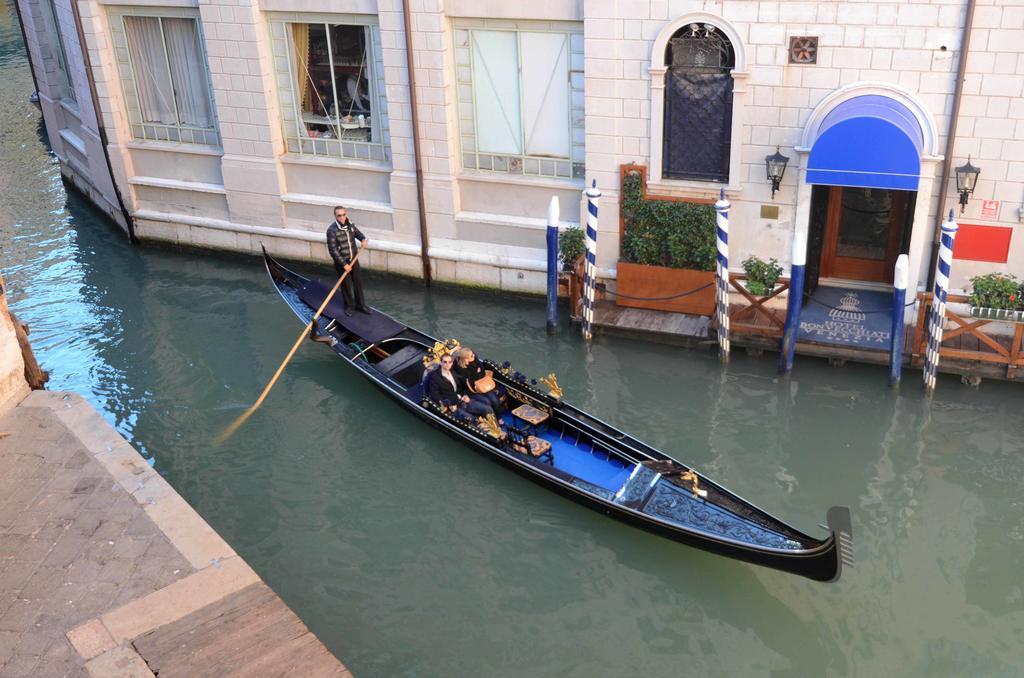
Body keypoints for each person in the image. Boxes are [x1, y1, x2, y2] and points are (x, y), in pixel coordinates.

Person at [326, 205, 370, 316]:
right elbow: (333, 250)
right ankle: (349, 306)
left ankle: (361, 305)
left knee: (358, 283)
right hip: (342, 262)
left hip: (353, 259)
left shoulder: (350, 225)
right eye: (339, 215)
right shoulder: (331, 230)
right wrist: (344, 264)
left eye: (343, 215)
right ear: (335, 216)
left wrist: (363, 239)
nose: (342, 217)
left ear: (346, 214)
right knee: (346, 285)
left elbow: (358, 234)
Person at [427, 353, 493, 421]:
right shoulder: (435, 377)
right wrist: (448, 404)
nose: (447, 364)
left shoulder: (452, 372)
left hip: (463, 401)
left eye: (450, 362)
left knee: (488, 409)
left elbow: (460, 387)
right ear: (441, 363)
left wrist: (464, 395)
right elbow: (435, 395)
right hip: (453, 406)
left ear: (452, 363)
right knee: (473, 420)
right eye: (445, 362)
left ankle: (496, 429)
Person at [453, 347, 504, 415]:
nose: (473, 355)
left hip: (483, 384)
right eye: (471, 356)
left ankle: (499, 417)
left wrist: (474, 375)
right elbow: (467, 383)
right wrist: (476, 373)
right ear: (466, 359)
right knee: (487, 402)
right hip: (472, 391)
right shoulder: (459, 368)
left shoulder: (474, 359)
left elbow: (482, 372)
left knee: (494, 399)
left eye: (473, 354)